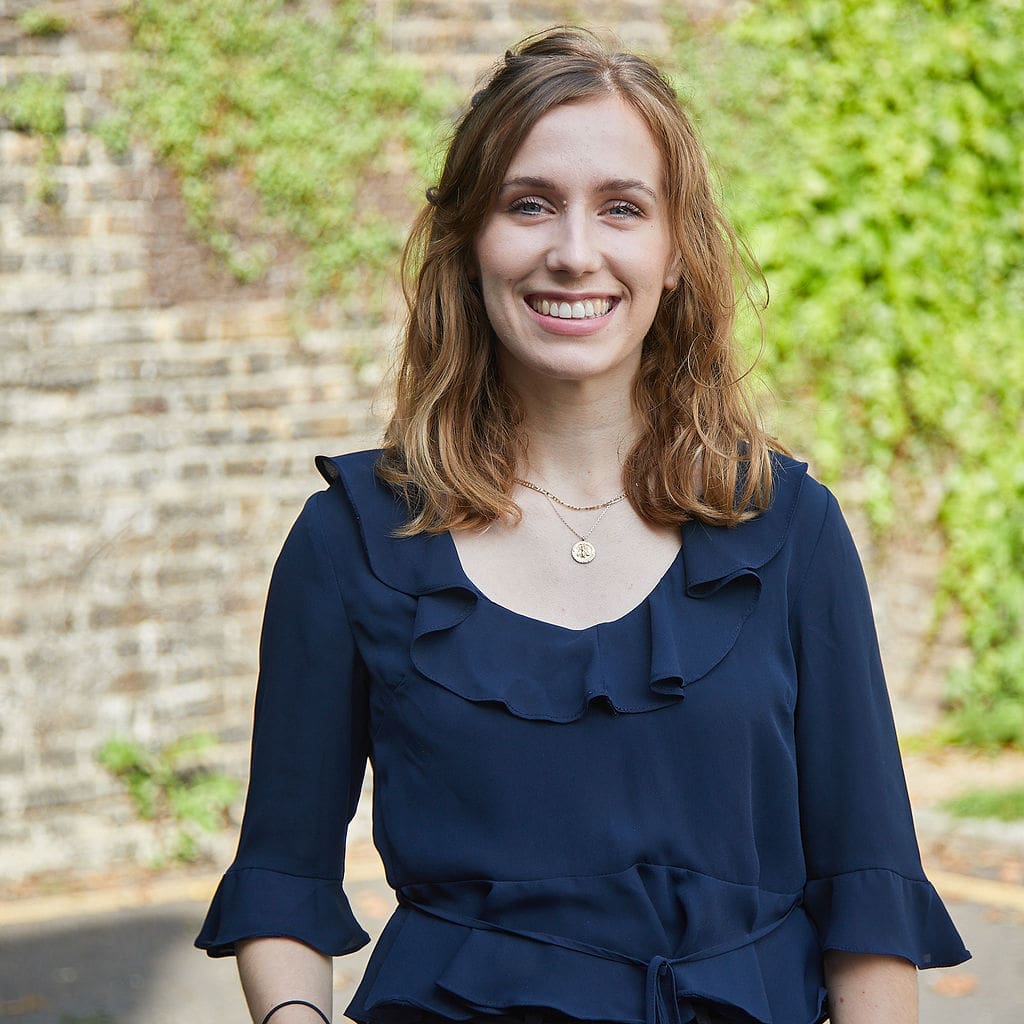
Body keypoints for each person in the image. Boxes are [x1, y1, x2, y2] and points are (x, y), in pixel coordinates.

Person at [196, 26, 969, 1024]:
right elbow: (283, 880)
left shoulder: (791, 530)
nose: (573, 253)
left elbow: (868, 898)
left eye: (620, 208)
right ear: (468, 243)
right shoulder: (350, 543)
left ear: (673, 251)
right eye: (529, 205)